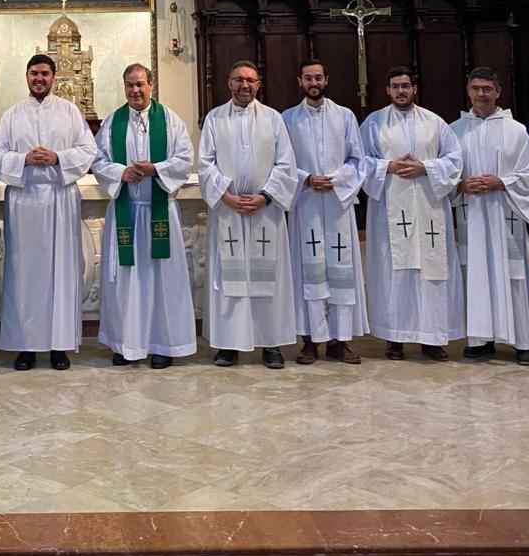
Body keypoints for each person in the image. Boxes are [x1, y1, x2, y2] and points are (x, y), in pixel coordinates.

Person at [0, 53, 97, 370]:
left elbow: (88, 150)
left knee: (61, 273)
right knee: (24, 276)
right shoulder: (12, 115)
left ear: (53, 77)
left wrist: (58, 157)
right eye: (34, 73)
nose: (40, 79)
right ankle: (26, 347)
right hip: (25, 201)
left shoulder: (70, 112)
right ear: (26, 76)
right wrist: (23, 160)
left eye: (45, 74)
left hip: (60, 199)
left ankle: (59, 346)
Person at [93, 64, 196, 369]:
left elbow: (185, 158)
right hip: (127, 212)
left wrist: (156, 169)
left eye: (140, 84)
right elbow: (97, 160)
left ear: (151, 85)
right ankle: (125, 344)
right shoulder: (113, 122)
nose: (135, 91)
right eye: (129, 85)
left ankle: (162, 344)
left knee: (162, 281)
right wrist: (120, 172)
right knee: (126, 281)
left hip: (159, 211)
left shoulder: (171, 120)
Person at [198, 60, 298, 369]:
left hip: (265, 212)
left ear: (258, 85)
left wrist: (266, 197)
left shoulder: (273, 119)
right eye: (239, 80)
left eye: (251, 80)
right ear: (229, 84)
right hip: (228, 212)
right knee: (229, 279)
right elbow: (206, 164)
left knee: (268, 278)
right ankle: (228, 345)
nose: (245, 86)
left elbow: (286, 164)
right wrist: (226, 196)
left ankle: (271, 344)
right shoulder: (214, 119)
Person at [360, 67, 463, 361]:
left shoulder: (435, 122)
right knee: (395, 272)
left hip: (429, 207)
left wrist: (426, 168)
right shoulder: (373, 123)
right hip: (390, 209)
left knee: (431, 271)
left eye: (405, 85)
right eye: (395, 86)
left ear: (414, 88)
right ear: (387, 90)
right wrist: (388, 167)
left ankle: (431, 337)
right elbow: (360, 161)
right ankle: (395, 337)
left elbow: (455, 161)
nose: (401, 91)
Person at [451, 67, 529, 366]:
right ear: (468, 91)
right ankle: (480, 338)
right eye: (476, 88)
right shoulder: (454, 130)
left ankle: (523, 342)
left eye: (487, 89)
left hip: (506, 212)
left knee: (513, 275)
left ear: (498, 92)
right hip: (472, 214)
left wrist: (501, 182)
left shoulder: (516, 130)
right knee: (475, 274)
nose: (481, 94)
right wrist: (461, 184)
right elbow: (447, 173)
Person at [282, 60, 368, 365]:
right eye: (308, 78)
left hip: (336, 203)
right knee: (309, 270)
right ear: (300, 82)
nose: (313, 82)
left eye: (318, 77)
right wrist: (306, 178)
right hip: (305, 202)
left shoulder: (344, 116)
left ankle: (340, 340)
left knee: (340, 271)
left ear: (326, 80)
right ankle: (310, 340)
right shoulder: (288, 118)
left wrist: (336, 179)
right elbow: (282, 161)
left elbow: (358, 159)